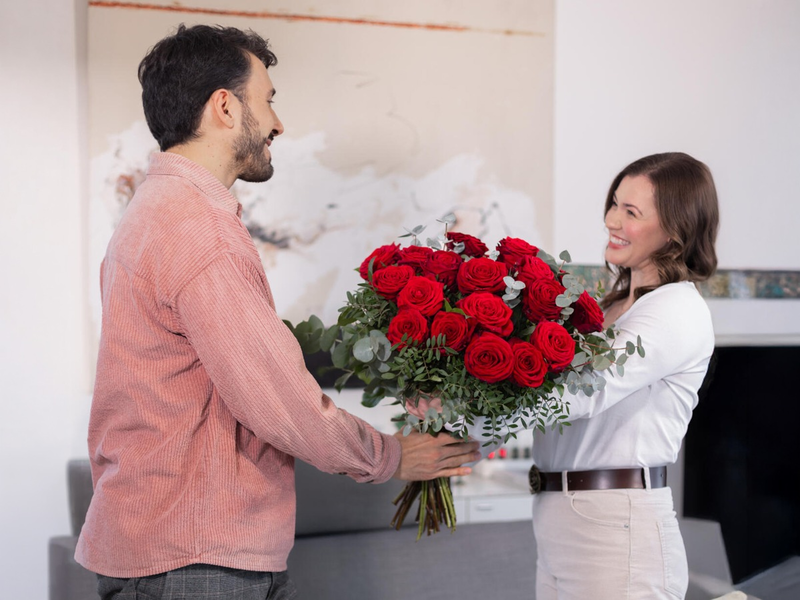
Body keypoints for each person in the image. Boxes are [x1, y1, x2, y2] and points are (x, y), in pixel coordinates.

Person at [75, 24, 480, 600]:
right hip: (195, 557)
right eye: (266, 100)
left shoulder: (156, 211)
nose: (277, 124)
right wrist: (389, 456)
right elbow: (277, 400)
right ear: (224, 106)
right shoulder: (199, 230)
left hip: (170, 548)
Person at [529, 152, 719, 599]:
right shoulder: (610, 307)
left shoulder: (676, 309)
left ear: (676, 228)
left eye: (631, 212)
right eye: (615, 204)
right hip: (560, 520)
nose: (612, 220)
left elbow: (581, 394)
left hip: (616, 529)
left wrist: (465, 416)